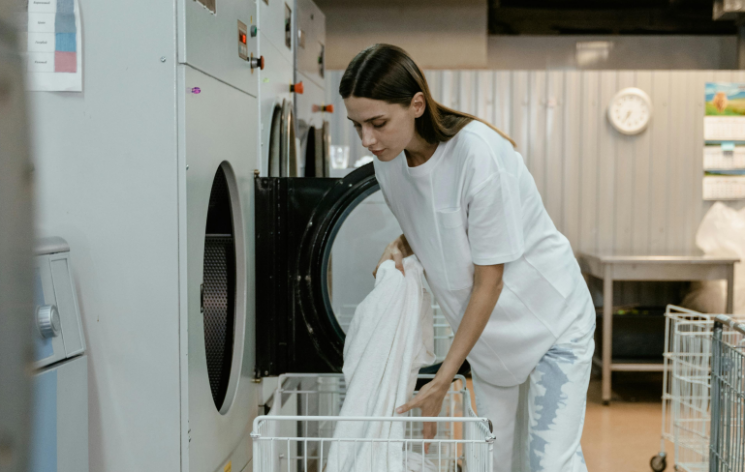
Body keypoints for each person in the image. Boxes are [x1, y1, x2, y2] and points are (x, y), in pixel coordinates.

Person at [339, 44, 596, 472]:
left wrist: (443, 378)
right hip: (489, 341)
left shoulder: (478, 154)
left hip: (552, 324)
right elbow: (437, 221)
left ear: (416, 104)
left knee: (549, 462)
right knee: (491, 461)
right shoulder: (388, 166)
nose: (367, 140)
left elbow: (488, 280)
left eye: (378, 123)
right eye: (357, 126)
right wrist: (401, 243)